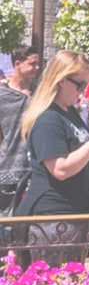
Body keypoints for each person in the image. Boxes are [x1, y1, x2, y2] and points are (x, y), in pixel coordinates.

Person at [15, 50, 89, 266]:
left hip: (74, 212)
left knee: (69, 282)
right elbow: (59, 169)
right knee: (51, 283)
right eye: (80, 85)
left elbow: (76, 153)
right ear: (61, 80)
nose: (83, 91)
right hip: (53, 218)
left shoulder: (68, 111)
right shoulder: (48, 119)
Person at [0, 45, 40, 200]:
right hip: (8, 172)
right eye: (32, 64)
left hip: (37, 172)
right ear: (18, 64)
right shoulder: (3, 96)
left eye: (37, 64)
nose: (37, 68)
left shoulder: (41, 93)